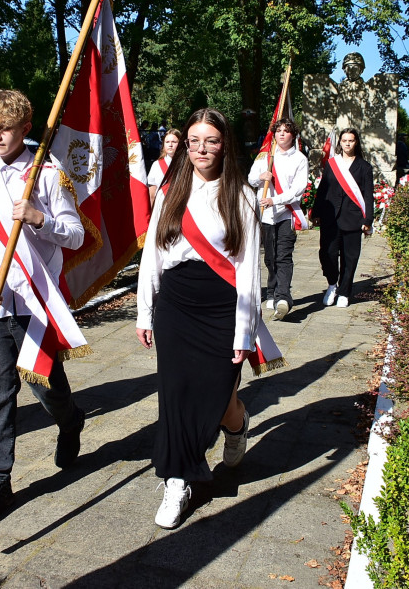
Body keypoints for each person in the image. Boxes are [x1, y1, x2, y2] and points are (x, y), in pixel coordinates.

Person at [137, 107, 282, 529]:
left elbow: (248, 270)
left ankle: (236, 429)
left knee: (220, 399)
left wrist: (245, 330)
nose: (202, 149)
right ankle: (176, 480)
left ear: (225, 144)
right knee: (176, 396)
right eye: (194, 140)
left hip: (223, 306)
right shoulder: (170, 191)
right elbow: (153, 256)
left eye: (211, 141)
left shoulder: (241, 195)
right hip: (177, 305)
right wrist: (146, 311)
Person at [0, 89, 87, 526]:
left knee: (47, 389)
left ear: (25, 129)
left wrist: (40, 219)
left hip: (36, 300)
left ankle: (70, 423)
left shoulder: (48, 174)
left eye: (5, 128)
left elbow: (75, 235)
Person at [247, 117, 309, 321]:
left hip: (285, 213)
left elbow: (298, 189)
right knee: (269, 257)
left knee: (283, 255)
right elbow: (251, 178)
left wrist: (275, 200)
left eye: (286, 130)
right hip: (265, 215)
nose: (282, 134)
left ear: (293, 135)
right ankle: (272, 291)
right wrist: (261, 177)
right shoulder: (265, 156)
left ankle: (284, 297)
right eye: (279, 130)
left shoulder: (299, 159)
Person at [315, 127, 374, 308]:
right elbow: (323, 189)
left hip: (353, 219)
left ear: (356, 143)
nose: (348, 143)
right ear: (340, 142)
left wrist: (368, 220)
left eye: (351, 140)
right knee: (328, 254)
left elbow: (368, 195)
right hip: (330, 218)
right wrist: (315, 213)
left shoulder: (364, 167)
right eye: (344, 140)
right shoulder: (332, 164)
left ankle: (344, 291)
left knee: (350, 258)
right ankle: (332, 284)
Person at [146, 128, 180, 202]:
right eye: (167, 142)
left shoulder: (187, 164)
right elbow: (152, 195)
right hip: (161, 209)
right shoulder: (156, 165)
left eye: (174, 142)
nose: (170, 145)